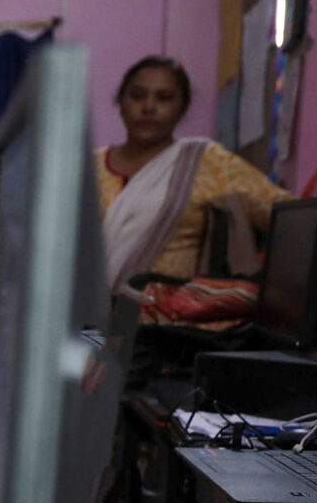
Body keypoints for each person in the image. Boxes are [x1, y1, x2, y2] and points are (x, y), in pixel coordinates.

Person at [98, 55, 292, 328]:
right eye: (137, 96)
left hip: (166, 334)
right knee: (86, 363)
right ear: (120, 101)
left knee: (132, 366)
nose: (149, 107)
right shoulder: (88, 166)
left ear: (183, 107)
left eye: (164, 98)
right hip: (87, 323)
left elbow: (287, 217)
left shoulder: (205, 162)